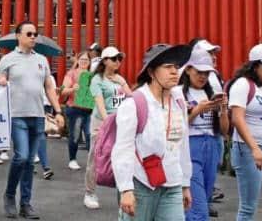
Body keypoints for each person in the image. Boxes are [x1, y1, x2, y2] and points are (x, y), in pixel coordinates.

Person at [113, 43, 193, 220]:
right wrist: (126, 189)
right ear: (151, 72)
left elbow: (183, 146)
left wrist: (185, 184)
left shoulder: (179, 103)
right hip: (140, 183)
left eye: (176, 67)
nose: (174, 72)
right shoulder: (135, 103)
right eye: (167, 67)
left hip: (172, 183)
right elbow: (122, 148)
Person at [0, 21, 65, 219]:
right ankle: (9, 195)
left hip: (38, 115)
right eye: (29, 33)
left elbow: (49, 87)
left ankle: (25, 203)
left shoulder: (42, 59)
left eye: (35, 33)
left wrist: (58, 111)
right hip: (17, 115)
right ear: (18, 36)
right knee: (22, 156)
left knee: (29, 164)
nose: (34, 37)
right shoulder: (7, 59)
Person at [227, 43, 262, 221]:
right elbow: (237, 118)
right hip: (249, 149)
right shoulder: (243, 85)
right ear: (255, 66)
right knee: (248, 207)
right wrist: (254, 149)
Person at [180, 48, 229, 220]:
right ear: (187, 69)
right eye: (199, 72)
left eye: (206, 73)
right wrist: (196, 111)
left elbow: (224, 130)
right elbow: (176, 126)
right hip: (190, 146)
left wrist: (222, 109)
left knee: (204, 199)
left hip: (212, 146)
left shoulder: (211, 92)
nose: (202, 77)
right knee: (198, 206)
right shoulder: (179, 93)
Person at [84, 46, 132, 210]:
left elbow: (131, 98)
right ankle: (90, 192)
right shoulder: (97, 79)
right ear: (105, 61)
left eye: (120, 58)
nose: (118, 61)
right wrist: (107, 123)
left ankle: (123, 194)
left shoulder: (119, 78)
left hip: (121, 122)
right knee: (96, 157)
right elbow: (100, 103)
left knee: (122, 158)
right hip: (102, 123)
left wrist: (123, 82)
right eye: (114, 58)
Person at [60, 52, 93, 171]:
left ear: (89, 62)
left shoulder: (92, 75)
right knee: (75, 135)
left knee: (90, 135)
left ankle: (92, 161)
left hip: (89, 110)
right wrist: (72, 88)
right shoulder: (71, 73)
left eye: (86, 60)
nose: (84, 61)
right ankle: (72, 159)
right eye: (82, 59)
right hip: (75, 109)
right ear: (78, 60)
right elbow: (63, 91)